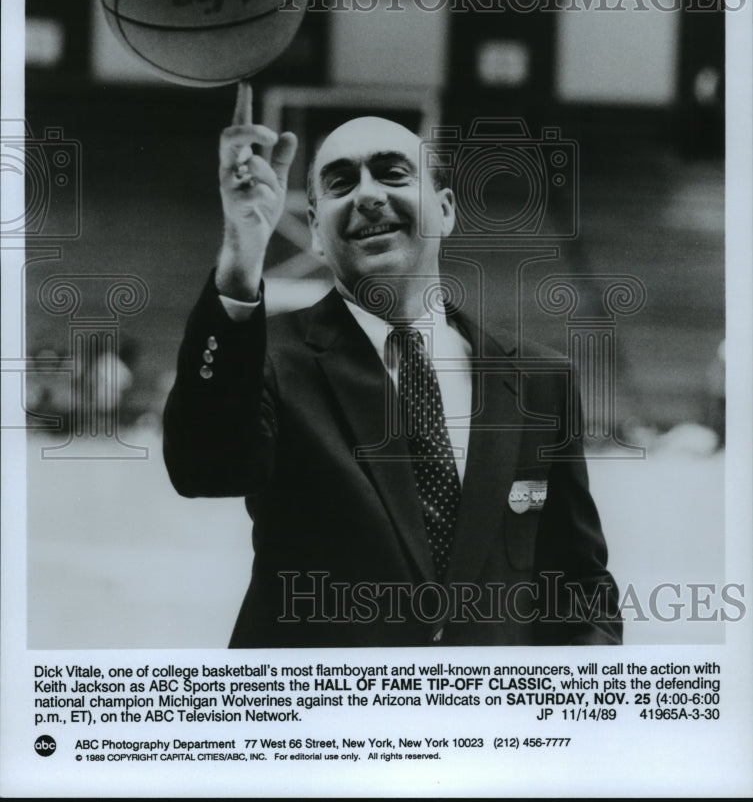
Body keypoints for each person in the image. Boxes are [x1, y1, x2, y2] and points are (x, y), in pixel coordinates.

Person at [163, 85, 622, 648]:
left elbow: (580, 588)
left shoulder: (540, 380)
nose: (368, 195)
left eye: (392, 173)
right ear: (312, 231)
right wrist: (241, 253)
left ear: (447, 209)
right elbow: (204, 470)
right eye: (340, 182)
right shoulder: (267, 357)